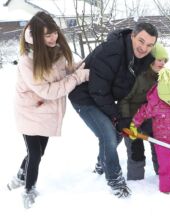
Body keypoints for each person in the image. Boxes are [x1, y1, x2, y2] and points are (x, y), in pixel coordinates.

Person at [7, 11, 89, 209]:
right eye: (47, 35)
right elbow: (49, 90)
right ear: (36, 37)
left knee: (38, 152)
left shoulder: (56, 51)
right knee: (35, 153)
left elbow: (68, 68)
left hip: (46, 111)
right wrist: (77, 78)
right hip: (29, 111)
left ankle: (20, 175)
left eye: (54, 33)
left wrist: (84, 67)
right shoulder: (27, 60)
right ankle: (28, 189)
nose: (53, 38)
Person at [68, 22, 158, 198]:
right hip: (84, 95)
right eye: (141, 41)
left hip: (104, 95)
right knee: (108, 133)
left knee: (117, 134)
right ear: (132, 35)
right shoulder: (112, 51)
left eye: (149, 45)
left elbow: (136, 88)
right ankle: (115, 180)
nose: (144, 48)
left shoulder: (143, 59)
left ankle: (102, 163)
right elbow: (98, 90)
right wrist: (118, 117)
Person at [118, 43, 168, 180]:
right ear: (151, 59)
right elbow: (124, 99)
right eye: (159, 59)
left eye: (165, 60)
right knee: (136, 152)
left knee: (159, 147)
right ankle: (136, 181)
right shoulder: (138, 77)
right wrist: (127, 121)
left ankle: (163, 176)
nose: (162, 63)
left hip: (152, 119)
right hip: (133, 119)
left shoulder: (164, 77)